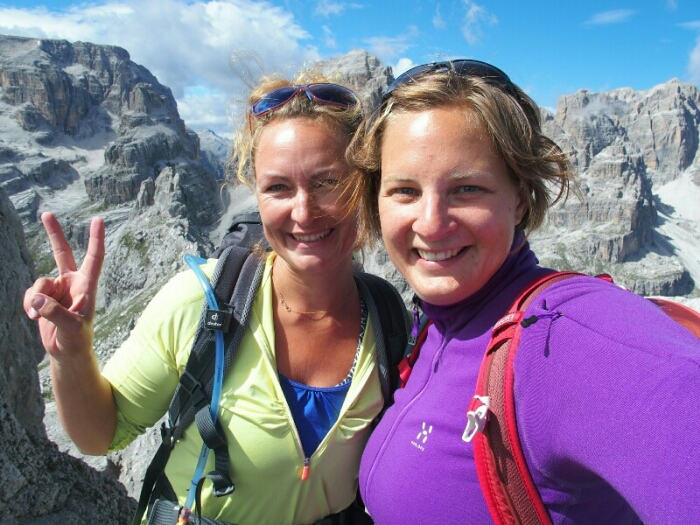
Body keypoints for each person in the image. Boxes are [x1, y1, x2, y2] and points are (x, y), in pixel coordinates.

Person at [24, 73, 404, 524]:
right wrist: (70, 354)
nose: (303, 212)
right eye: (278, 187)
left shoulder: (388, 318)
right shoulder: (200, 302)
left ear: (362, 183)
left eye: (327, 182)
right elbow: (100, 435)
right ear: (254, 192)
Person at [348, 59, 700, 524]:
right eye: (404, 191)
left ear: (520, 197)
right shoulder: (440, 321)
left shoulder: (564, 336)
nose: (431, 224)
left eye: (467, 189)